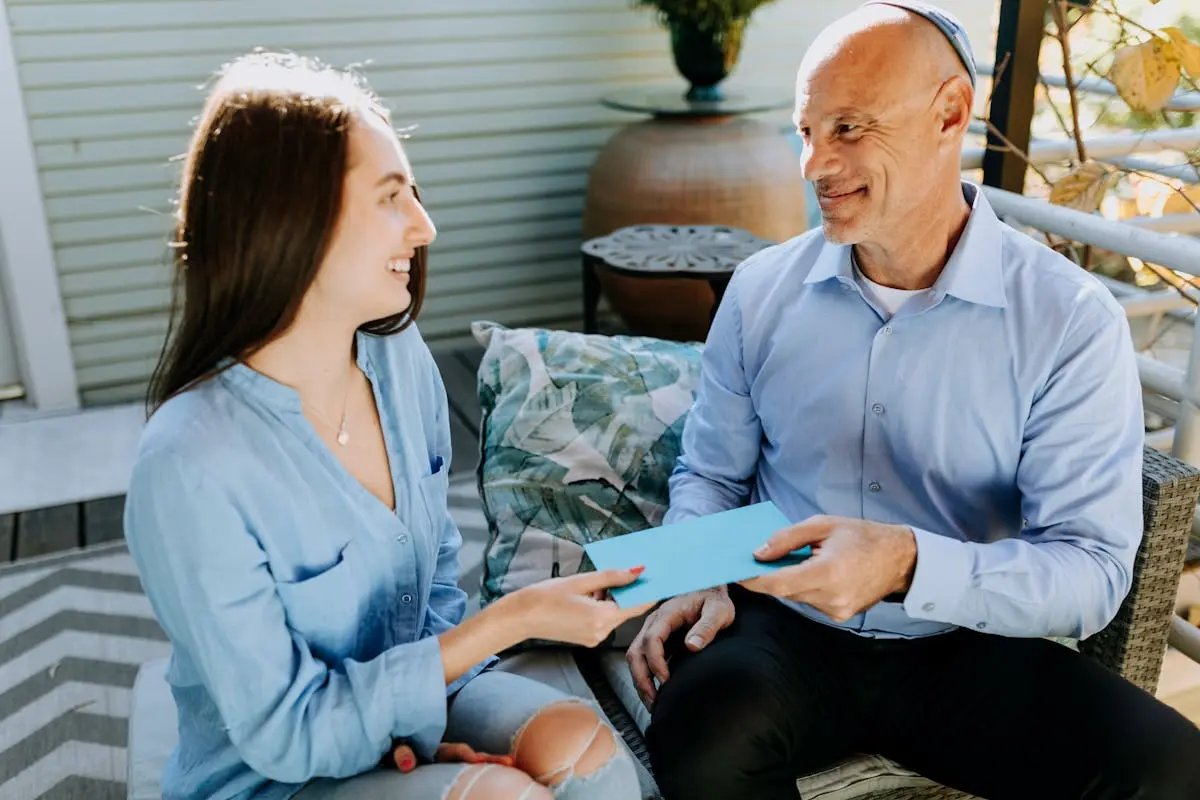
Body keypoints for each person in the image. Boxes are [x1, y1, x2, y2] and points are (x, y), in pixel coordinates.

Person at [625, 2, 1200, 799]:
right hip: (781, 633)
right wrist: (695, 571)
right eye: (807, 132)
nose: (814, 166)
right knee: (698, 740)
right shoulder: (760, 292)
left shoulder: (1069, 320)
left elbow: (1091, 574)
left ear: (951, 113)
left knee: (1170, 771)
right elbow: (711, 475)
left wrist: (909, 563)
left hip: (966, 640)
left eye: (850, 129)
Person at [123, 51, 648, 800]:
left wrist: (416, 731)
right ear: (291, 216)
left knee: (590, 759)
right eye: (391, 197)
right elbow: (289, 732)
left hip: (424, 686)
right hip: (273, 773)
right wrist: (504, 626)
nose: (425, 227)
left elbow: (434, 572)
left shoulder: (397, 358)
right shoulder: (190, 464)